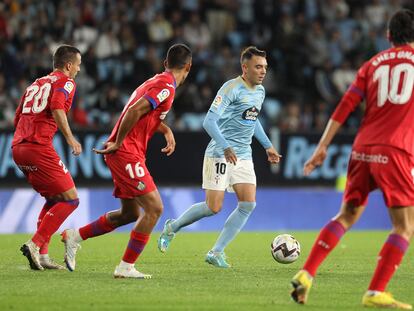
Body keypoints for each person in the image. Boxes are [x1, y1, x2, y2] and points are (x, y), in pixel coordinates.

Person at [290, 9, 414, 310]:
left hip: (361, 149)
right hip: (395, 149)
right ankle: (376, 291)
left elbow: (345, 106)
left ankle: (306, 273)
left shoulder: (371, 64)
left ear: (388, 36)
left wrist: (322, 147)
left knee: (346, 215)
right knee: (404, 227)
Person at [61, 43, 192, 279]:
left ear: (165, 63)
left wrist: (165, 129)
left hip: (127, 152)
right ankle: (125, 267)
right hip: (125, 152)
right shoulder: (166, 86)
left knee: (130, 214)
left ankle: (74, 236)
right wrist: (119, 142)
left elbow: (145, 114)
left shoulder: (155, 81)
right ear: (188, 67)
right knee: (154, 208)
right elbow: (133, 111)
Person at [157, 46, 281, 268]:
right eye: (258, 67)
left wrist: (268, 146)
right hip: (220, 153)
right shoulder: (231, 88)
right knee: (213, 207)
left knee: (248, 204)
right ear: (245, 68)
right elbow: (208, 122)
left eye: (265, 67)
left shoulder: (260, 92)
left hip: (243, 155)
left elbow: (253, 120)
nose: (263, 71)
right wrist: (225, 146)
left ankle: (216, 252)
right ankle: (172, 227)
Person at [12, 45, 82, 271]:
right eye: (78, 65)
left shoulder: (36, 83)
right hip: (37, 146)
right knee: (71, 199)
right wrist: (70, 138)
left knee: (54, 199)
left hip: (18, 147)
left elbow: (18, 116)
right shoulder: (67, 82)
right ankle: (35, 243)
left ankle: (42, 256)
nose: (78, 70)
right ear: (69, 65)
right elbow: (57, 107)